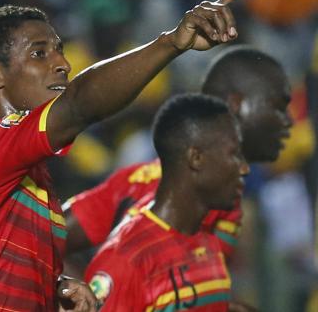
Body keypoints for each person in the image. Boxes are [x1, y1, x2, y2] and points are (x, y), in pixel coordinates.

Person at [0, 0, 246, 311]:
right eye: (39, 53)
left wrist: (53, 285)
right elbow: (80, 103)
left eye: (59, 50)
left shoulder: (23, 180)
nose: (62, 64)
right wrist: (171, 43)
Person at [64, 45, 292, 265]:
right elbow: (49, 240)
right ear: (236, 105)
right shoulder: (137, 185)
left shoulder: (238, 189)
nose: (288, 120)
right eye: (275, 106)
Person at [85, 93, 253, 311]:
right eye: (233, 154)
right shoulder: (126, 260)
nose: (244, 168)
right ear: (196, 158)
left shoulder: (207, 243)